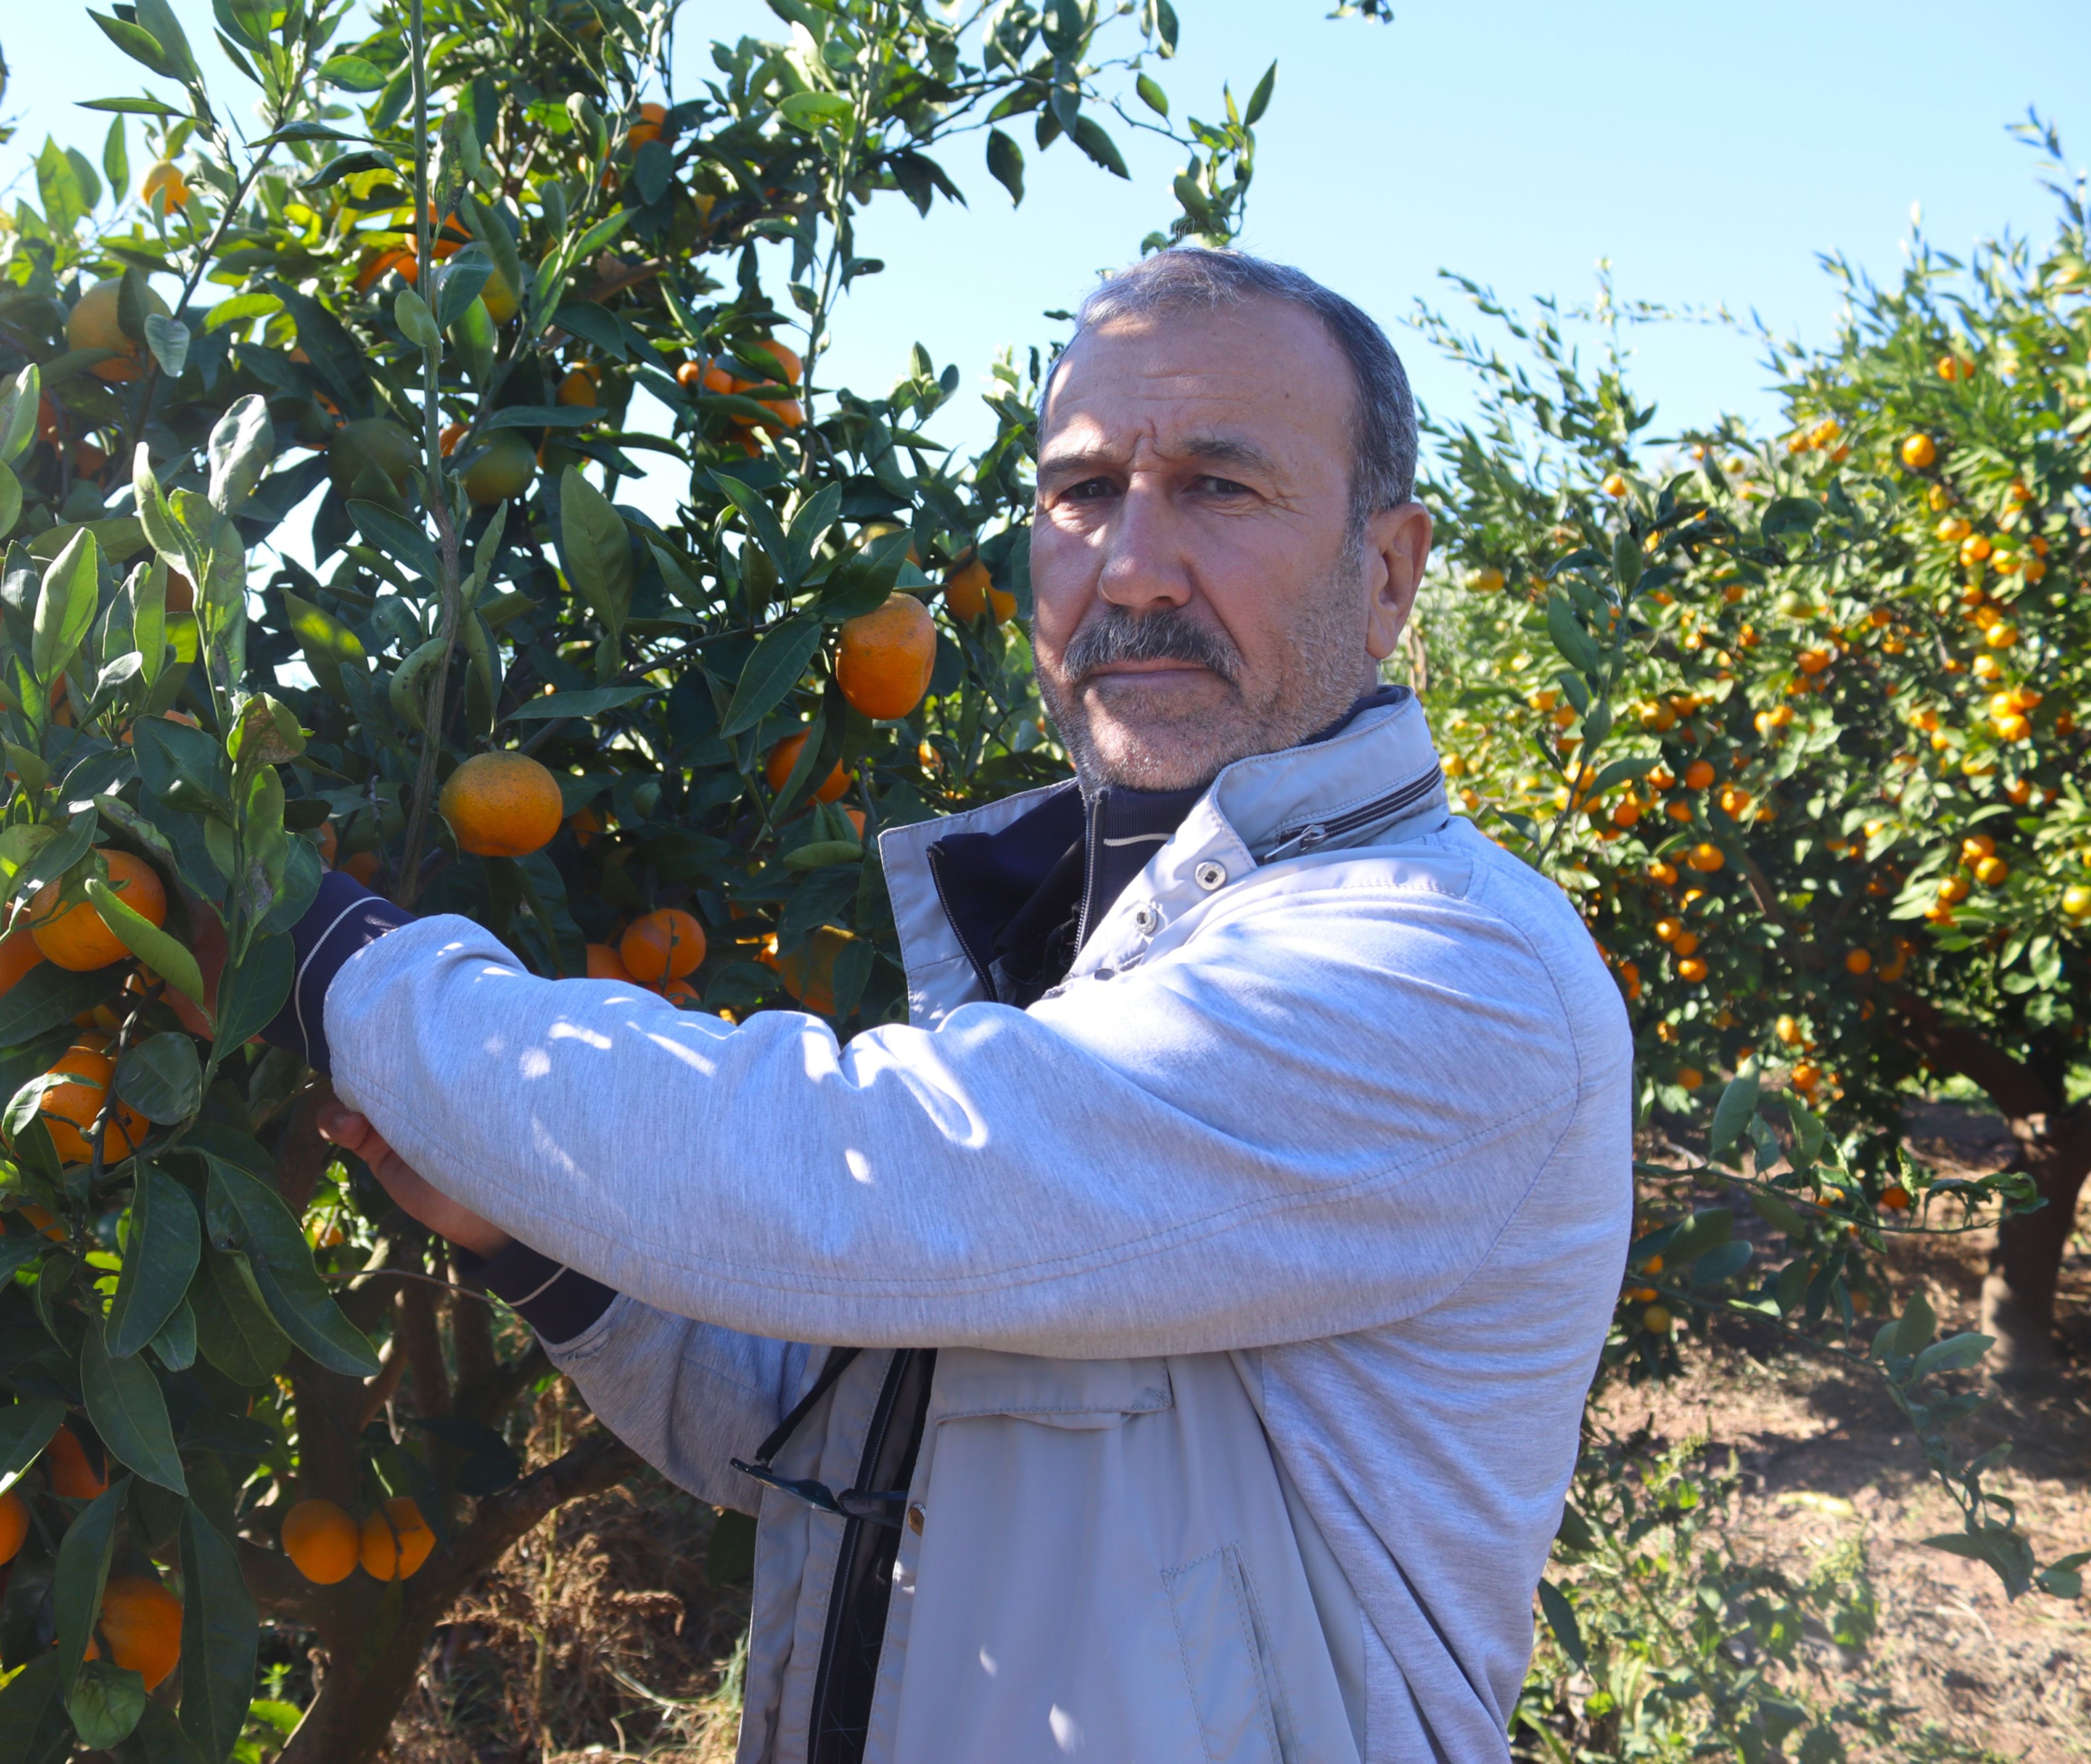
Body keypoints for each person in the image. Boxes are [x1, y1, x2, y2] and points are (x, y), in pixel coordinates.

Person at [267, 248, 1633, 1764]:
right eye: (1082, 492)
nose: (1131, 566)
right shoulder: (1077, 943)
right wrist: (537, 1242)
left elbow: (855, 1179)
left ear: (1388, 574)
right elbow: (823, 1432)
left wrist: (331, 961)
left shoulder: (1444, 969)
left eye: (1222, 491)